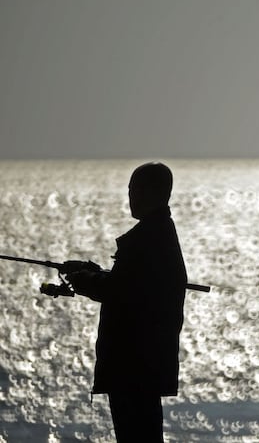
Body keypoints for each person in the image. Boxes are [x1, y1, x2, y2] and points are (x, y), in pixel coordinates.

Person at [66, 162, 188, 442]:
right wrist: (94, 273)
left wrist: (85, 280)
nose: (130, 197)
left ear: (151, 193)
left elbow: (120, 291)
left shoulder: (145, 239)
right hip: (146, 364)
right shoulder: (160, 233)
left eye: (133, 190)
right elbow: (133, 284)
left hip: (134, 367)